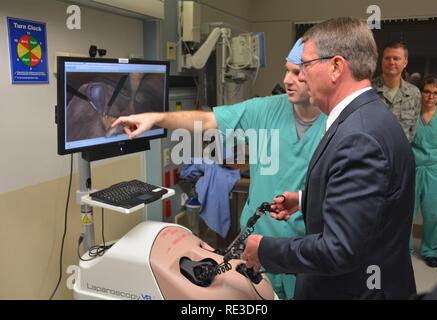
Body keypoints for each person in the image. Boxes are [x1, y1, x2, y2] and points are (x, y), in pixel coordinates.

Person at [112, 40, 327, 299]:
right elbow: (206, 119)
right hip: (255, 250)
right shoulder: (266, 109)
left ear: (319, 73)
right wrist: (157, 118)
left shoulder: (335, 123)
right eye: (286, 70)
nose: (287, 80)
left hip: (303, 255)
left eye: (297, 73)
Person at [242, 17, 417, 300]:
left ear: (336, 67)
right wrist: (306, 199)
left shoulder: (359, 138)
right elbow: (369, 204)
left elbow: (339, 250)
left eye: (306, 66)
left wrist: (265, 250)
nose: (301, 77)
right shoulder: (367, 116)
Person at [410, 76, 437, 268]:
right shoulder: (411, 113)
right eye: (427, 91)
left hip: (435, 169)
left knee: (434, 213)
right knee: (407, 211)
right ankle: (403, 248)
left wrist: (436, 154)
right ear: (421, 92)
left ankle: (430, 251)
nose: (430, 96)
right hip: (413, 167)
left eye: (435, 93)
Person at [372, 42, 421, 143]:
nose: (391, 62)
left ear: (405, 63)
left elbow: (412, 130)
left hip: (400, 154)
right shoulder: (367, 90)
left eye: (396, 58)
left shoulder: (414, 93)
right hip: (373, 153)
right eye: (387, 58)